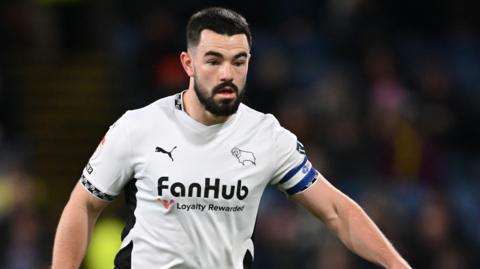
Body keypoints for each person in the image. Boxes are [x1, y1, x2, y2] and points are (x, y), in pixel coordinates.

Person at [52, 7, 411, 269]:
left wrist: (397, 266)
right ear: (188, 64)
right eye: (213, 61)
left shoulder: (266, 136)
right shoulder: (138, 127)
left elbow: (336, 211)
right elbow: (83, 205)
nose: (228, 73)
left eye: (239, 61)